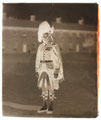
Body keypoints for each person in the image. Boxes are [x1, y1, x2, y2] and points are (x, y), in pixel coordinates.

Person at [35, 21, 64, 114]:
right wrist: (37, 69)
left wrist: (56, 70)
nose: (44, 37)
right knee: (44, 87)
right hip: (42, 69)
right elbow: (37, 58)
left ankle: (51, 105)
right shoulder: (40, 47)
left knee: (51, 87)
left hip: (51, 69)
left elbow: (58, 59)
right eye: (43, 35)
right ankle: (44, 105)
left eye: (46, 35)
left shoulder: (54, 46)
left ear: (49, 35)